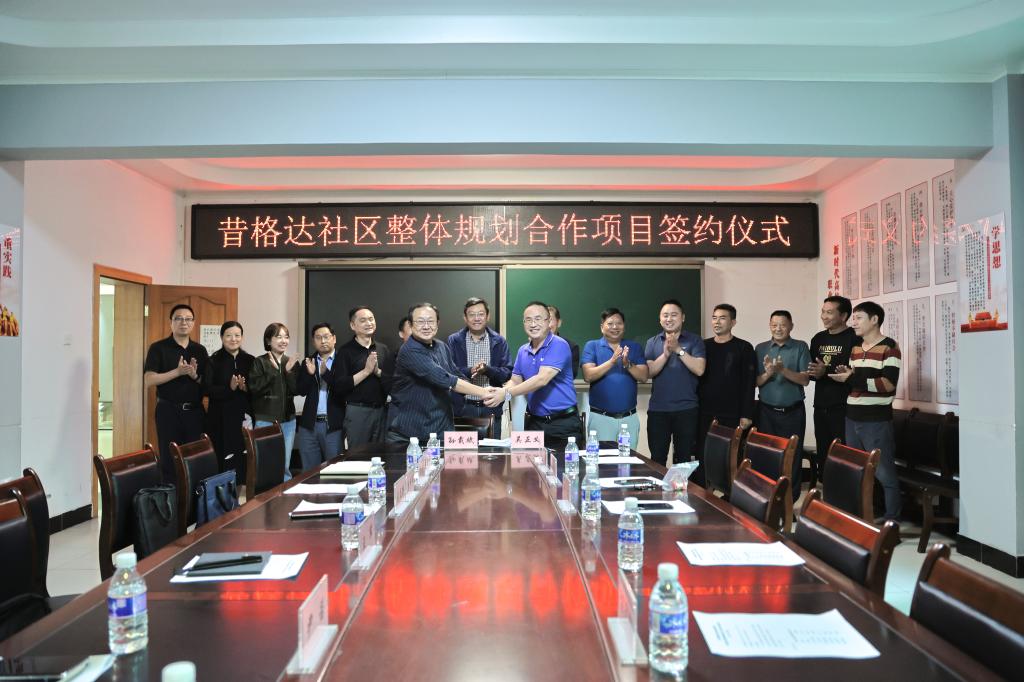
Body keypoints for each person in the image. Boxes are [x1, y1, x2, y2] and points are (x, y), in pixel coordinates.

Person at [828, 301, 902, 521]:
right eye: (854, 318)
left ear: (874, 320)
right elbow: (858, 381)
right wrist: (847, 375)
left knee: (884, 472)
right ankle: (861, 516)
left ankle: (892, 520)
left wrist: (852, 378)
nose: (854, 323)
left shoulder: (889, 347)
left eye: (859, 318)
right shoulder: (856, 349)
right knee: (856, 469)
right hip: (852, 416)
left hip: (875, 419)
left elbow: (887, 384)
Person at [387, 302, 500, 443]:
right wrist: (484, 392)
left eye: (431, 321)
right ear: (410, 325)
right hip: (409, 434)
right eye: (420, 322)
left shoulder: (441, 346)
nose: (426, 326)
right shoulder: (409, 350)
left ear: (438, 323)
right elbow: (444, 378)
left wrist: (467, 385)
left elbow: (456, 374)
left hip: (440, 429)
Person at [144, 304, 209, 482]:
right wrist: (177, 372)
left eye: (188, 319)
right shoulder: (158, 348)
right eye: (178, 318)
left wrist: (195, 376)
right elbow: (149, 380)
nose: (183, 322)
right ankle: (173, 498)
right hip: (168, 412)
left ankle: (194, 499)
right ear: (171, 322)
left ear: (193, 323)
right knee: (170, 460)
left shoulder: (200, 350)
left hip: (195, 412)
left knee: (196, 459)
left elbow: (206, 384)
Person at [501, 301, 581, 446]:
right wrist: (501, 392)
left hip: (562, 423)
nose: (533, 324)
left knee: (564, 461)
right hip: (534, 422)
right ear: (523, 323)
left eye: (538, 319)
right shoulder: (522, 350)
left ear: (548, 321)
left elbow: (541, 380)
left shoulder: (559, 344)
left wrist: (506, 394)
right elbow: (515, 381)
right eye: (528, 320)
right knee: (530, 461)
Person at [755, 310, 811, 499]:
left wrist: (782, 370)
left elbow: (805, 380)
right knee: (767, 456)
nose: (778, 329)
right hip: (766, 411)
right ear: (769, 326)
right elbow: (756, 382)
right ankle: (767, 499)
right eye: (774, 325)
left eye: (783, 325)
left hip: (792, 412)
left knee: (792, 457)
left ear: (791, 326)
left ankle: (789, 501)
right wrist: (769, 373)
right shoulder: (761, 348)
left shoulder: (800, 347)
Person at [645, 299, 706, 467]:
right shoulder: (652, 342)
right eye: (665, 315)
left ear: (683, 317)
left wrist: (678, 350)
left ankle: (680, 486)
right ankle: (658, 486)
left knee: (684, 460)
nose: (669, 319)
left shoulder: (695, 341)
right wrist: (665, 354)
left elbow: (699, 369)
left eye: (674, 315)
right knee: (657, 459)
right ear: (660, 319)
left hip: (686, 409)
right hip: (658, 410)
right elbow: (649, 372)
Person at [696, 304, 757, 469]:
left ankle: (729, 487)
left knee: (729, 459)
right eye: (714, 318)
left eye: (722, 318)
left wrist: (746, 414)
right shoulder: (703, 346)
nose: (717, 322)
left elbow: (749, 383)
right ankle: (702, 486)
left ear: (733, 322)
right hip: (705, 412)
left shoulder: (744, 348)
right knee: (704, 455)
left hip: (732, 413)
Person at [807, 296, 857, 484]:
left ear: (843, 316)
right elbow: (813, 374)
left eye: (829, 312)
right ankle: (826, 492)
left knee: (843, 455)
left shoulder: (855, 338)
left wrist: (825, 372)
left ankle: (844, 494)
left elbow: (855, 375)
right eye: (823, 312)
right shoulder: (818, 339)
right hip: (820, 406)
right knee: (824, 454)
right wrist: (817, 373)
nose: (824, 316)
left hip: (844, 407)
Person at [447, 297, 513, 438]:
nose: (476, 318)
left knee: (492, 450)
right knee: (462, 450)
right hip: (463, 407)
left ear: (487, 316)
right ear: (465, 318)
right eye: (472, 314)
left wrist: (488, 370)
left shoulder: (499, 341)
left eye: (481, 314)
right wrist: (469, 370)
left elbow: (507, 373)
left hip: (491, 405)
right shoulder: (454, 340)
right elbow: (449, 371)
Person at [581, 307, 648, 445]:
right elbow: (588, 375)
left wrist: (627, 364)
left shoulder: (634, 347)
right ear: (602, 327)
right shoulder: (592, 346)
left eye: (619, 323)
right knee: (600, 458)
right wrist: (612, 361)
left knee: (628, 458)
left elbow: (643, 377)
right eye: (610, 323)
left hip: (629, 419)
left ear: (624, 326)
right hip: (601, 418)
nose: (615, 327)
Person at [248, 322, 299, 481]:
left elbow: (297, 390)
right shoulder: (259, 362)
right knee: (265, 464)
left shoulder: (290, 362)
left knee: (284, 465)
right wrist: (273, 372)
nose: (284, 340)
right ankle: (266, 495)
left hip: (288, 421)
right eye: (279, 337)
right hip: (265, 420)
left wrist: (288, 372)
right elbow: (254, 388)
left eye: (286, 337)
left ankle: (284, 493)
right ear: (268, 341)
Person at [337, 307, 393, 447]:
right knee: (358, 455)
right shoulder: (345, 351)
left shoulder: (383, 349)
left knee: (381, 454)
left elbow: (391, 381)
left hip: (382, 411)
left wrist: (377, 371)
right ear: (352, 325)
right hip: (358, 412)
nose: (369, 323)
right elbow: (340, 385)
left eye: (371, 319)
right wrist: (366, 372)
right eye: (363, 320)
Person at [203, 321, 254, 476]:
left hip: (243, 416)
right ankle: (221, 489)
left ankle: (242, 489)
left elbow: (256, 388)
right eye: (228, 335)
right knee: (222, 458)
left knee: (244, 456)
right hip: (220, 418)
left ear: (242, 337)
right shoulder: (213, 360)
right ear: (221, 337)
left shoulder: (250, 360)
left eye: (237, 335)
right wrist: (229, 388)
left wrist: (245, 388)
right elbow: (206, 389)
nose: (233, 339)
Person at [295, 322, 345, 471]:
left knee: (334, 471)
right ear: (313, 341)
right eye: (318, 338)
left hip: (333, 426)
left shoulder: (343, 361)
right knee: (309, 472)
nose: (323, 341)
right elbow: (301, 391)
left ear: (334, 338)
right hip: (309, 425)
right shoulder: (308, 362)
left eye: (326, 337)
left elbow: (343, 389)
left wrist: (326, 374)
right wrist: (310, 375)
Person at [547, 305, 580, 378]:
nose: (547, 325)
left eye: (550, 320)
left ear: (559, 322)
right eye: (544, 320)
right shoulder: (531, 347)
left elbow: (571, 375)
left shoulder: (571, 347)